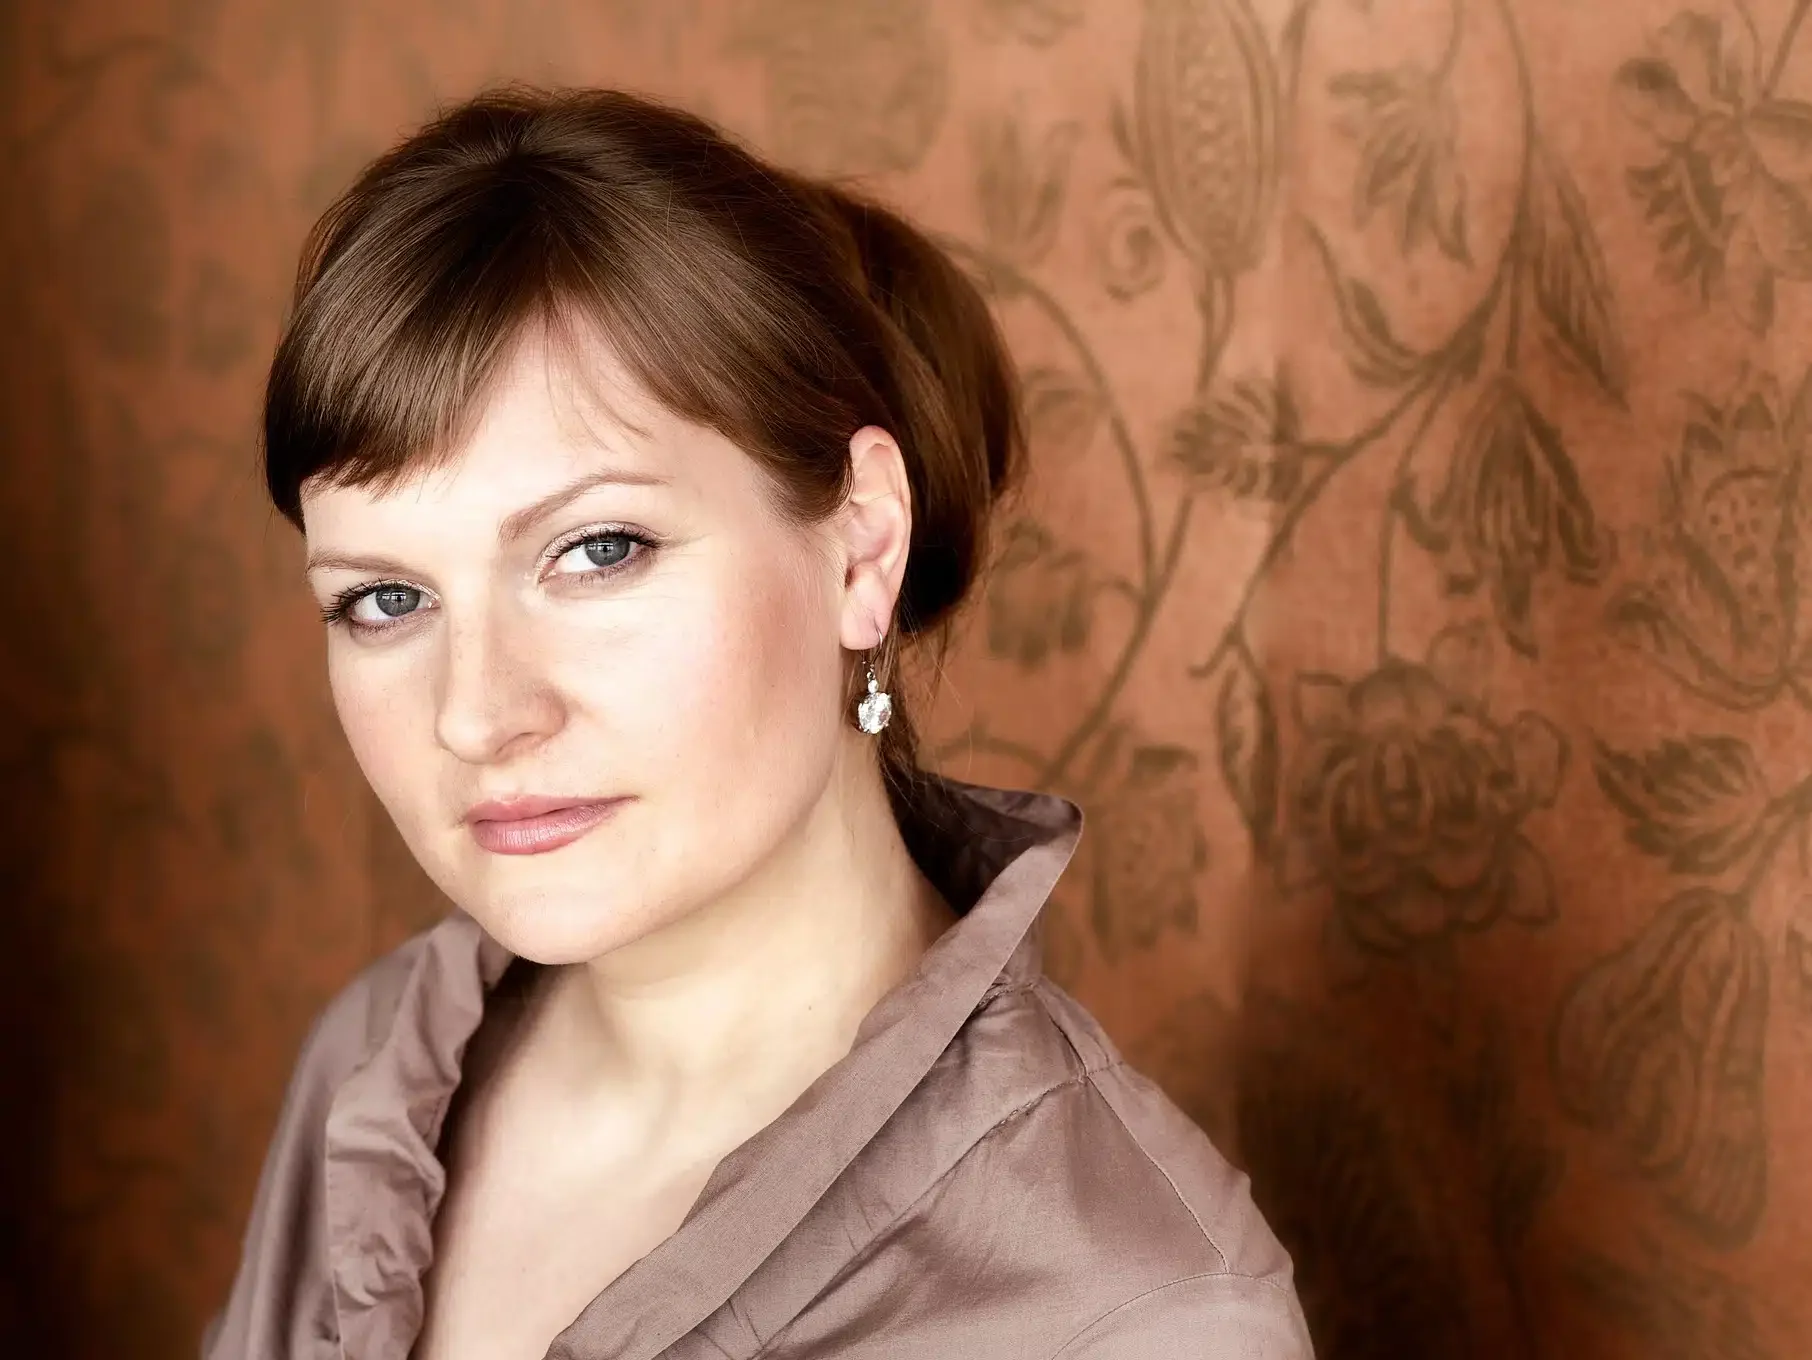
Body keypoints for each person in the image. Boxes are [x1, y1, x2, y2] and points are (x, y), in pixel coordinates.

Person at [202, 86, 1312, 1360]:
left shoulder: (1135, 1311)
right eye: (385, 599)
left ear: (861, 546)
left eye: (599, 549)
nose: (477, 715)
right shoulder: (378, 1070)